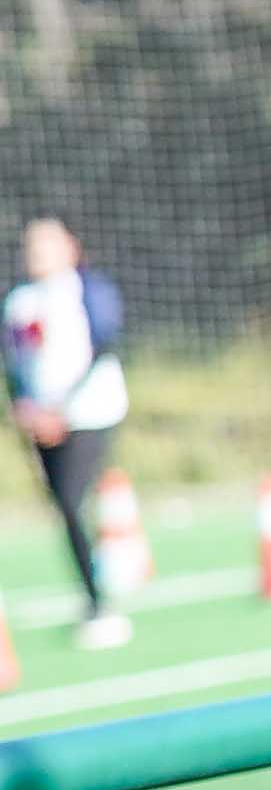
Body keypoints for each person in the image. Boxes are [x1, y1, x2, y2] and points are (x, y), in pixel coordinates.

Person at [4, 218, 130, 652]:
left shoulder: (86, 290)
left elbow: (104, 346)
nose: (37, 253)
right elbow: (16, 363)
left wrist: (60, 408)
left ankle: (100, 603)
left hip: (89, 413)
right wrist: (26, 406)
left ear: (70, 248)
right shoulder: (20, 302)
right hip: (43, 422)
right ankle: (93, 587)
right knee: (64, 506)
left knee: (74, 502)